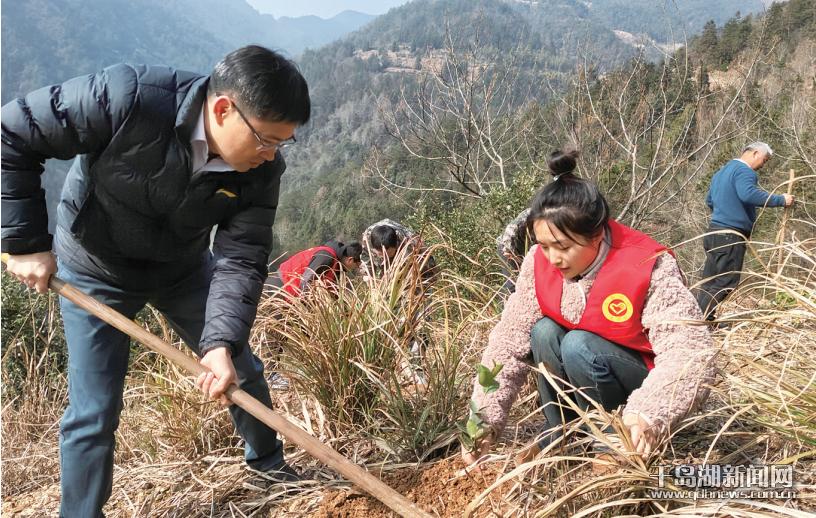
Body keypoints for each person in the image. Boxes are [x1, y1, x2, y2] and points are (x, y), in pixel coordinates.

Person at [1, 45, 310, 516]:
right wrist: (24, 242)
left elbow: (242, 257)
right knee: (94, 413)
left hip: (182, 270)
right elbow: (13, 131)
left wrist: (220, 342)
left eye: (281, 144)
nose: (270, 155)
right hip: (94, 268)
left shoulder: (261, 171)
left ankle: (270, 469)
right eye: (266, 139)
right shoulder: (128, 98)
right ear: (223, 108)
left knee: (241, 370)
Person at [461, 149, 716, 467]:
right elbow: (507, 343)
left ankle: (611, 442)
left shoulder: (645, 264)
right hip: (584, 371)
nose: (553, 258)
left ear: (596, 235)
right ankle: (561, 431)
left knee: (578, 345)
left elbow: (691, 353)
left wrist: (650, 413)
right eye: (544, 246)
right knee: (543, 333)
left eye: (564, 247)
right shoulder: (538, 263)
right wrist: (481, 422)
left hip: (638, 382)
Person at [696, 142, 794, 321]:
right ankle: (699, 321)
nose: (763, 165)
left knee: (709, 281)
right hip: (730, 235)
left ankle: (700, 319)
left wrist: (725, 211)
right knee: (727, 282)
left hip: (713, 233)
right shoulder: (744, 171)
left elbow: (709, 200)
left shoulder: (721, 172)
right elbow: (748, 194)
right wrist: (780, 199)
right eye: (764, 160)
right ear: (755, 153)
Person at [265, 239, 362, 297]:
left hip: (287, 291)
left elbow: (334, 293)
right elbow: (305, 283)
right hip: (279, 288)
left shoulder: (335, 266)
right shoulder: (327, 257)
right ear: (350, 260)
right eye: (356, 265)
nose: (354, 268)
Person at [496, 208, 533, 293]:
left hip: (523, 248)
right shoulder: (533, 212)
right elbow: (510, 230)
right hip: (506, 247)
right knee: (513, 283)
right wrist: (510, 253)